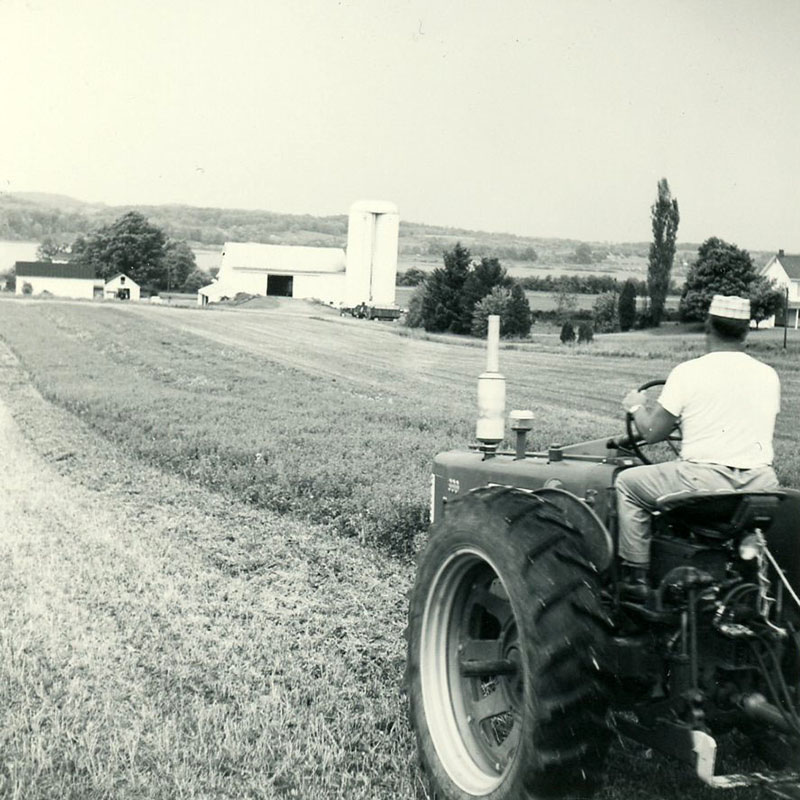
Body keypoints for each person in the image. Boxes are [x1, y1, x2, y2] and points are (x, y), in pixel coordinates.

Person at [616, 294, 781, 601]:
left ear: (708, 326)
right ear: (746, 331)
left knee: (627, 484)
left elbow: (651, 432)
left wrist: (638, 406)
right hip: (761, 488)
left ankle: (635, 579)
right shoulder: (769, 375)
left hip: (706, 486)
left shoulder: (688, 373)